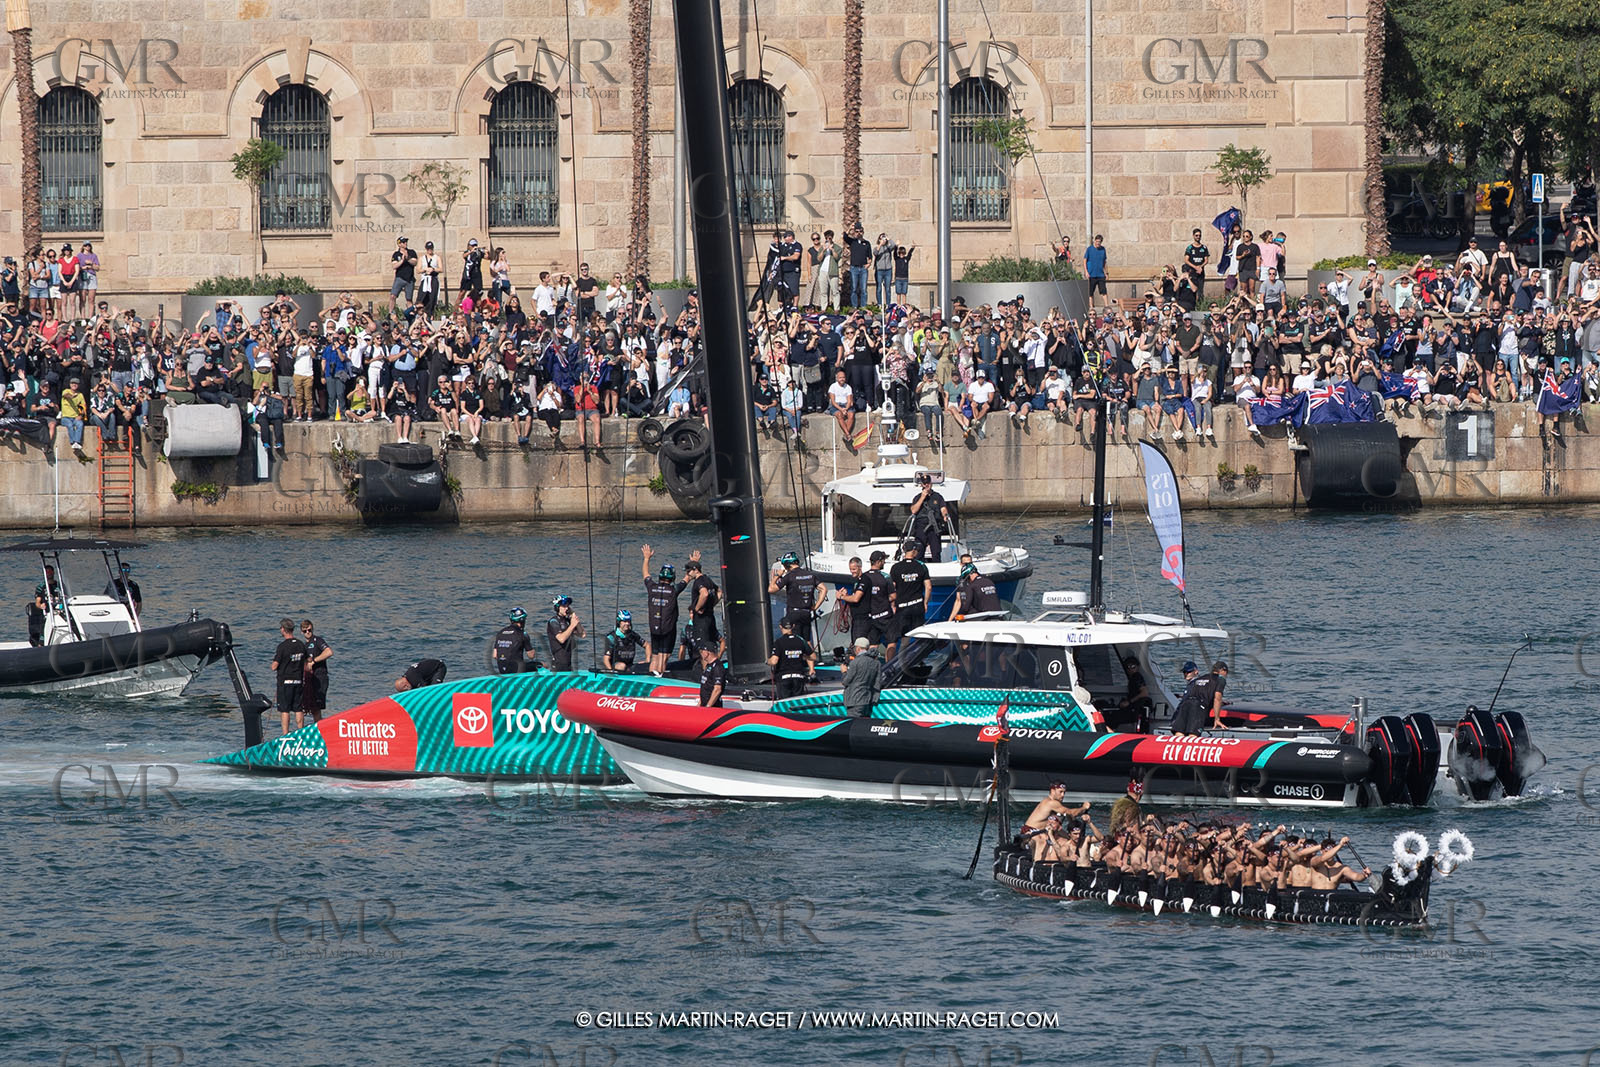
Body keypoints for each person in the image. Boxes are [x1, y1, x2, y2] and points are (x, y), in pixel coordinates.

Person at [642, 545, 688, 675]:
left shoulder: (652, 587)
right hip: (667, 630)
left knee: (655, 656)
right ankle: (659, 680)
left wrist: (646, 559)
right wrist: (693, 564)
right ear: (673, 578)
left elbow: (646, 574)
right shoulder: (673, 591)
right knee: (663, 657)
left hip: (654, 628)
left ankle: (651, 679)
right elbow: (687, 579)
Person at [1022, 781, 1090, 861]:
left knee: (1070, 838)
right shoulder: (1051, 803)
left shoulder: (1052, 802)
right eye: (1060, 792)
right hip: (1030, 833)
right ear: (1053, 790)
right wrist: (1084, 808)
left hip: (1042, 831)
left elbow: (1069, 816)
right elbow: (1072, 813)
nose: (1063, 795)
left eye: (1064, 792)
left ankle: (1077, 859)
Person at [887, 539, 931, 658]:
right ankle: (919, 661)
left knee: (904, 638)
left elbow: (893, 588)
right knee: (919, 637)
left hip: (902, 607)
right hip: (917, 605)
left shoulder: (896, 567)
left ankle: (901, 662)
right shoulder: (921, 566)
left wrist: (892, 605)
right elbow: (928, 587)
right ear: (914, 551)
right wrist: (926, 603)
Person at [768, 551, 823, 644]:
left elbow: (771, 589)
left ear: (786, 565)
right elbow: (823, 589)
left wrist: (777, 575)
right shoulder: (810, 575)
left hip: (793, 613)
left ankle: (798, 658)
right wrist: (816, 606)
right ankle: (811, 658)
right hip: (806, 612)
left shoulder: (789, 576)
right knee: (807, 641)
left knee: (794, 640)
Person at [270, 617, 308, 736]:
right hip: (298, 681)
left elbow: (274, 666)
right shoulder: (301, 644)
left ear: (283, 630)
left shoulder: (282, 647)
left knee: (284, 710)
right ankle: (301, 732)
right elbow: (308, 661)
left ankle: (285, 735)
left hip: (285, 682)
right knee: (298, 708)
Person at [907, 472, 952, 562]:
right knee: (919, 551)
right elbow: (913, 510)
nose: (927, 485)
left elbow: (943, 508)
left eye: (928, 482)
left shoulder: (938, 497)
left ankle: (937, 567)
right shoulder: (917, 497)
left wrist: (945, 515)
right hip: (921, 527)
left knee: (936, 552)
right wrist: (923, 497)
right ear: (922, 485)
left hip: (934, 527)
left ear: (931, 483)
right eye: (924, 483)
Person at [767, 615, 816, 698]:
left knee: (785, 704)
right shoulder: (801, 640)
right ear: (793, 626)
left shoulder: (779, 642)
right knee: (797, 703)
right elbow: (813, 657)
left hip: (784, 677)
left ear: (780, 627)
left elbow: (774, 661)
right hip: (798, 677)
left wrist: (767, 661)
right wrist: (800, 656)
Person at [859, 550, 894, 648]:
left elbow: (858, 595)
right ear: (878, 562)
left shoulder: (863, 577)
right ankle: (890, 663)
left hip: (871, 617)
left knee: (873, 644)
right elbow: (893, 596)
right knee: (891, 643)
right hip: (885, 616)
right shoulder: (885, 577)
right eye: (883, 560)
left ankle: (871, 662)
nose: (884, 562)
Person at [300, 618, 332, 723]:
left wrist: (314, 661)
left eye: (309, 630)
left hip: (320, 677)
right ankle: (316, 727)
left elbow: (328, 652)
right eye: (305, 631)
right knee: (311, 708)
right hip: (310, 679)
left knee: (317, 707)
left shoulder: (318, 640)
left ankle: (319, 728)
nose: (308, 633)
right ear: (302, 632)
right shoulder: (304, 646)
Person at [842, 637, 883, 718]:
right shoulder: (876, 663)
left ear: (858, 648)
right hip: (868, 701)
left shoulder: (855, 662)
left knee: (853, 726)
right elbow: (877, 683)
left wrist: (844, 672)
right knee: (865, 726)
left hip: (854, 701)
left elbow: (845, 682)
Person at [686, 557, 720, 654]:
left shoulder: (699, 581)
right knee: (711, 644)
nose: (687, 574)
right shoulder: (708, 579)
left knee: (703, 647)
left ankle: (705, 667)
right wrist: (712, 605)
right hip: (710, 616)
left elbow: (704, 593)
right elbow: (719, 592)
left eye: (689, 571)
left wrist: (697, 608)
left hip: (701, 619)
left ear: (695, 570)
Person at [492, 608, 539, 674]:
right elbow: (531, 656)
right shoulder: (523, 634)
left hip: (502, 670)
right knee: (542, 665)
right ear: (522, 620)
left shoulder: (500, 633)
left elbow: (495, 655)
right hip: (517, 670)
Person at [1115, 655, 1154, 732]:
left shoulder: (1137, 677)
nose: (1131, 669)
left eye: (1133, 666)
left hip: (1134, 708)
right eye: (1128, 667)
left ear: (1137, 667)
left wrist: (1129, 702)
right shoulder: (1133, 678)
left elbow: (1144, 692)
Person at [546, 595, 585, 672]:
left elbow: (582, 634)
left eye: (567, 606)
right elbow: (561, 639)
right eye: (564, 606)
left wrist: (575, 620)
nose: (566, 608)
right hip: (558, 664)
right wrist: (572, 625)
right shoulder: (553, 621)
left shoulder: (567, 621)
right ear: (557, 607)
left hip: (568, 663)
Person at [698, 642, 729, 707]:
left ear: (707, 652)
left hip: (713, 706)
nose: (701, 654)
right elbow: (705, 686)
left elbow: (717, 689)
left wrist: (708, 706)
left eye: (701, 651)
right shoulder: (708, 665)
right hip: (704, 704)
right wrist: (699, 704)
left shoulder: (717, 667)